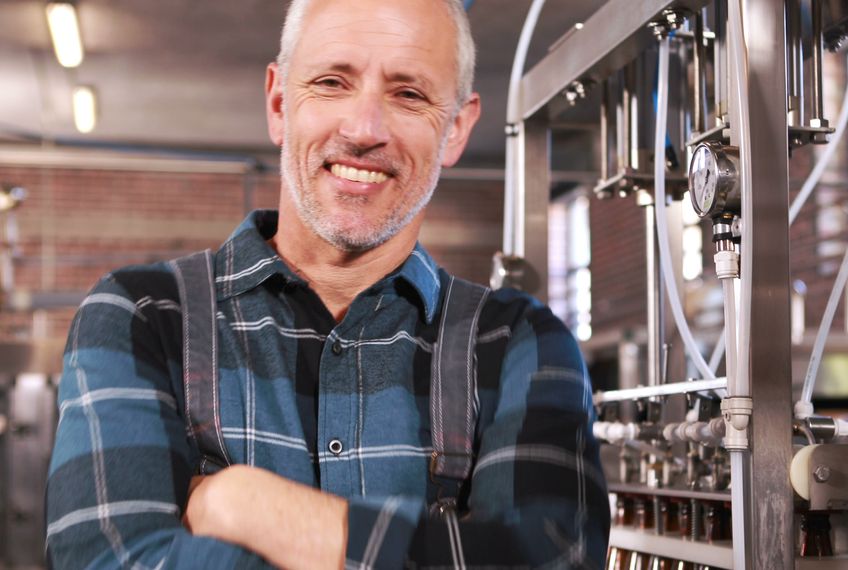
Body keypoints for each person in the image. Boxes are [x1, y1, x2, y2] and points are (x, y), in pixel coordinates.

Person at [44, 0, 610, 567]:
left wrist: (251, 507)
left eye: (408, 94)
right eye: (332, 82)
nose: (364, 130)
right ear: (278, 103)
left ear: (457, 127)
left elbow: (554, 557)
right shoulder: (142, 315)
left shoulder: (517, 343)